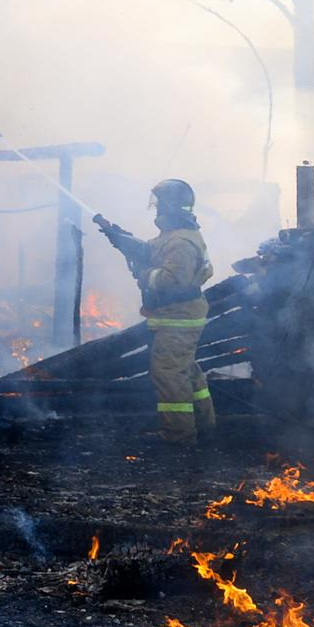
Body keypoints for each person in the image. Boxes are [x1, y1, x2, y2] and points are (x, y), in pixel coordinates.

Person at [103, 178, 217, 444]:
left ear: (171, 206)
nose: (156, 209)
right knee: (185, 370)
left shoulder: (182, 243)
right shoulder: (176, 236)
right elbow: (153, 249)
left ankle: (179, 435)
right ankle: (204, 424)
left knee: (168, 374)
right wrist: (124, 240)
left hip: (179, 319)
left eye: (160, 204)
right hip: (177, 317)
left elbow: (171, 280)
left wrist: (144, 275)